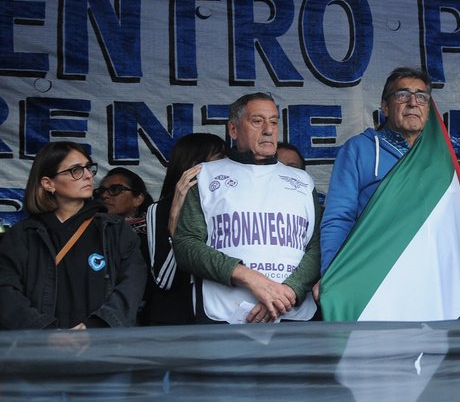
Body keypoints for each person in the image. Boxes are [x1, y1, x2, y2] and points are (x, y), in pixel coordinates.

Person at [172, 93, 321, 323]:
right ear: (233, 129)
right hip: (224, 317)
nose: (269, 130)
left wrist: (289, 292)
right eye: (257, 121)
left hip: (292, 315)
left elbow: (318, 245)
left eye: (273, 121)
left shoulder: (302, 181)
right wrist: (251, 279)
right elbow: (186, 245)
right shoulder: (204, 176)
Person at [0, 141, 146, 329]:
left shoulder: (115, 229)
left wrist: (95, 325)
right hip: (41, 349)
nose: (87, 175)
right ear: (48, 183)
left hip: (106, 346)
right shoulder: (23, 235)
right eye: (75, 170)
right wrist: (46, 330)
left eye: (88, 167)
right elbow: (6, 290)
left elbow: (133, 283)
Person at [321, 67, 432, 275]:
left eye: (421, 97)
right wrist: (331, 275)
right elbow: (339, 217)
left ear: (427, 111)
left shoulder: (437, 156)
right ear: (386, 107)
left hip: (428, 272)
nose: (413, 103)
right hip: (376, 272)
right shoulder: (358, 149)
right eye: (402, 95)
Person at [143, 133, 227, 325]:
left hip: (216, 315)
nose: (226, 167)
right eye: (219, 160)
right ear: (195, 167)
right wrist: (175, 222)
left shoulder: (224, 205)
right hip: (175, 320)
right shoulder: (160, 209)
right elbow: (164, 280)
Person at [96, 167, 154, 235]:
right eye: (101, 191)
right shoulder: (92, 229)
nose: (104, 195)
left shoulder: (153, 235)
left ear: (138, 199)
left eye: (115, 189)